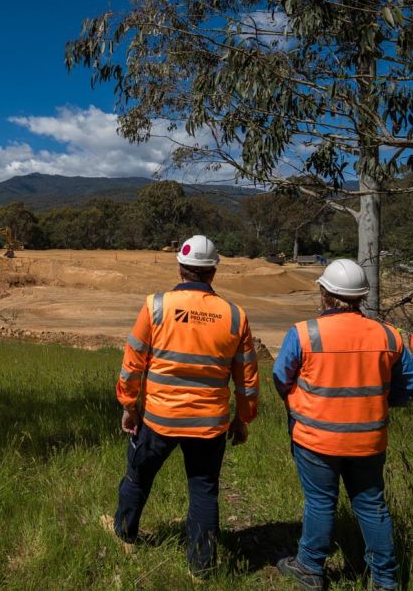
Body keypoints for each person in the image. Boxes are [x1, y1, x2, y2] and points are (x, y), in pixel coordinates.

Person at [104, 235, 260, 576]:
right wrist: (243, 419)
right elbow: (247, 379)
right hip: (210, 423)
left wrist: (129, 406)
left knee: (138, 476)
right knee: (204, 490)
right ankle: (201, 568)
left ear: (180, 267)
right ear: (213, 272)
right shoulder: (235, 316)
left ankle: (125, 534)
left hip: (160, 418)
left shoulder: (155, 306)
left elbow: (132, 363)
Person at [273, 259, 413, 590]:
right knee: (372, 505)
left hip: (315, 439)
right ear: (361, 297)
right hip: (368, 440)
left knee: (320, 501)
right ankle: (385, 580)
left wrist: (296, 402)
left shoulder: (304, 333)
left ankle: (310, 567)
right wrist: (382, 400)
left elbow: (280, 377)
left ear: (325, 293)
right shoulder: (389, 335)